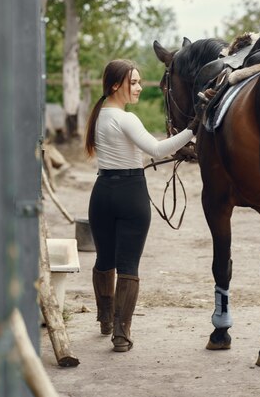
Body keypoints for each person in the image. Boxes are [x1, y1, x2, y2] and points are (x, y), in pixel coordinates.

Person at [84, 59, 199, 352]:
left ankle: (105, 320)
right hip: (130, 193)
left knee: (104, 258)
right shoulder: (127, 118)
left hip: (101, 193)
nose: (137, 88)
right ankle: (121, 335)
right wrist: (192, 128)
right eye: (132, 83)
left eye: (138, 82)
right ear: (114, 85)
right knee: (128, 265)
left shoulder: (98, 115)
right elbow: (157, 149)